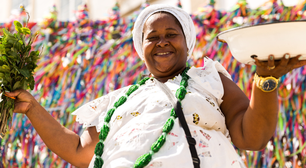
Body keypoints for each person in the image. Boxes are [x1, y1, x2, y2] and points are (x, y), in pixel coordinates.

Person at [4, 4, 306, 168]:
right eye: (152, 36)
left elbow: (251, 136)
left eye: (171, 33)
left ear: (188, 43)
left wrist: (265, 83)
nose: (161, 40)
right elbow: (78, 151)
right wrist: (32, 108)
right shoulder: (118, 101)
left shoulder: (209, 79)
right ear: (140, 47)